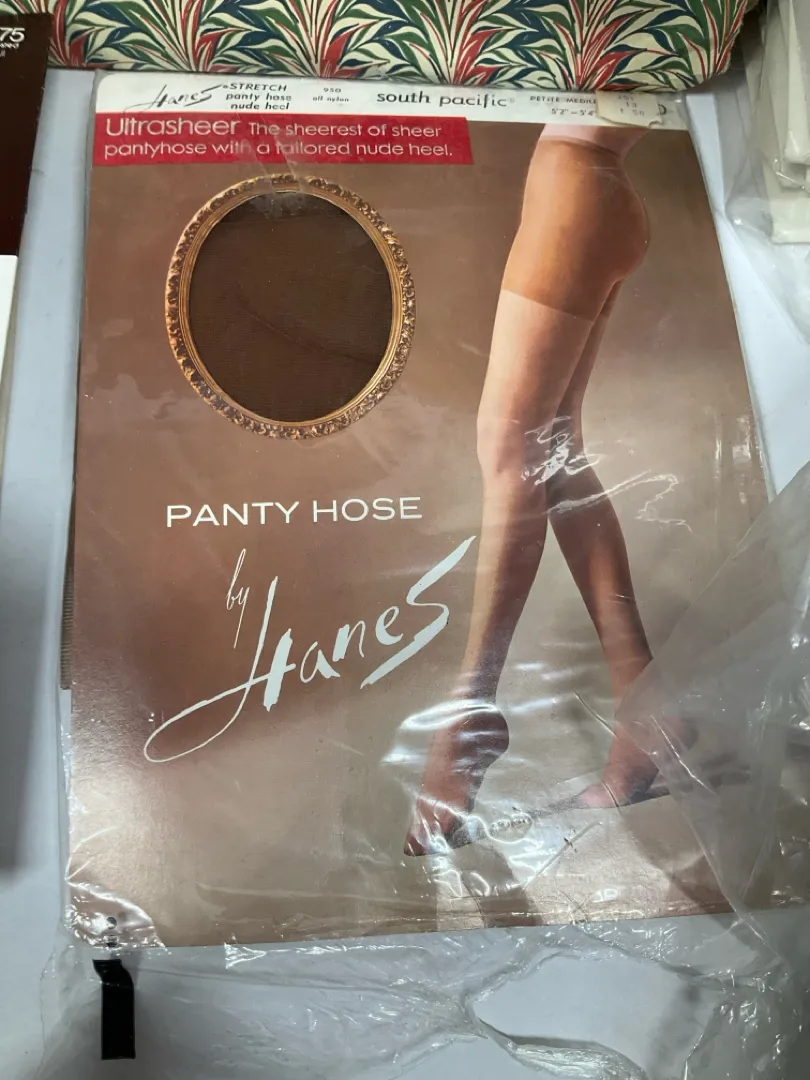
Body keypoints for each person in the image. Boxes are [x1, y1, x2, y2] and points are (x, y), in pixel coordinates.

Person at [405, 123, 668, 858]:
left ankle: (469, 712)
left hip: (575, 180)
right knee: (554, 446)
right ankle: (648, 713)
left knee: (510, 447)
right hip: (588, 179)